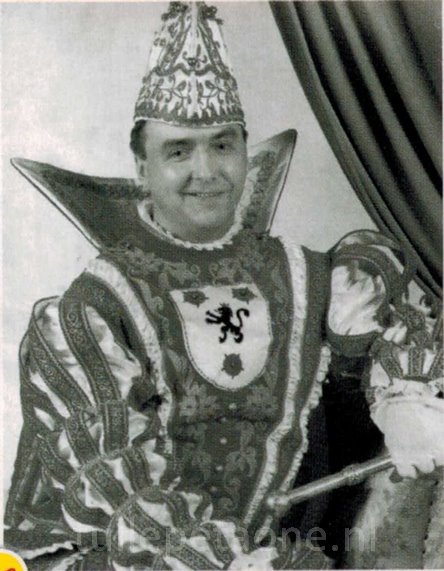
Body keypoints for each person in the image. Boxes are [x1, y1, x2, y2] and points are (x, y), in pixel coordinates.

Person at [4, 2, 443, 570]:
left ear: (244, 152)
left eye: (222, 145)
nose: (207, 171)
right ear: (141, 167)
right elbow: (112, 483)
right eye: (178, 151)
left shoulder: (301, 274)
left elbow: (388, 296)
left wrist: (405, 400)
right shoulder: (94, 309)